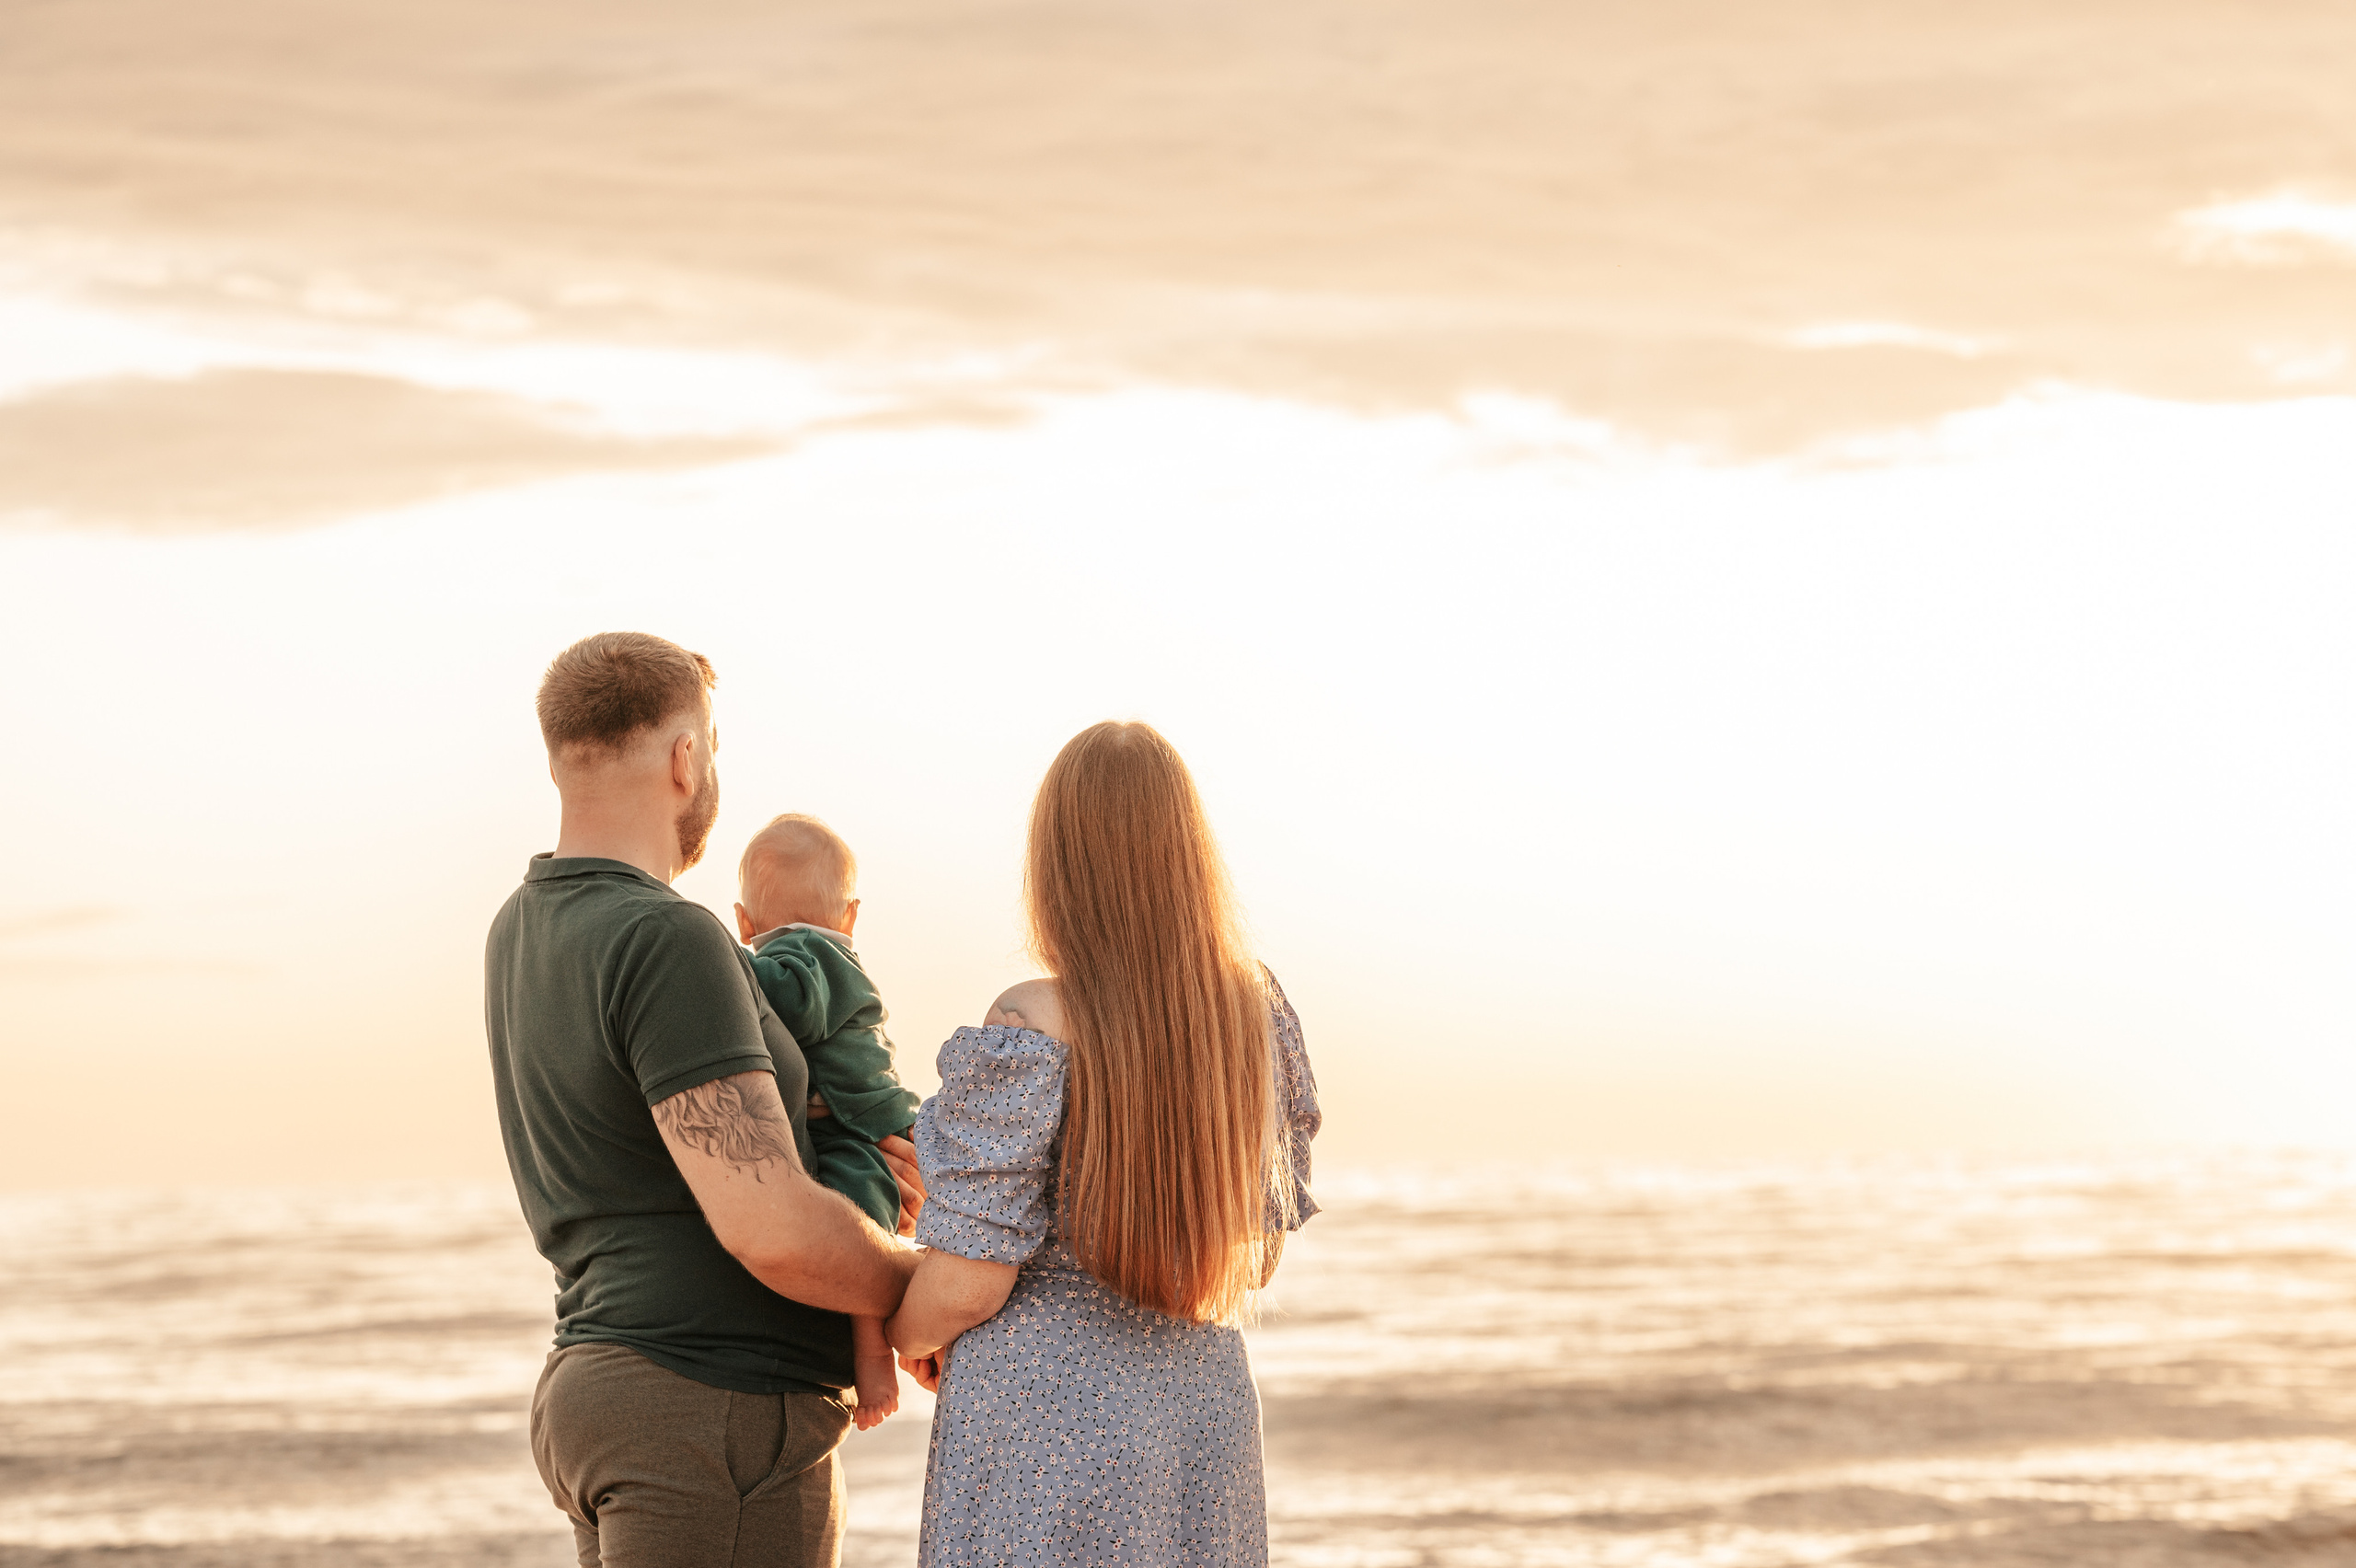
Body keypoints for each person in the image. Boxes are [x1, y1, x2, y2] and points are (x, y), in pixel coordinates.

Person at [484, 631, 922, 1568]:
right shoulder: (668, 937)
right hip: (710, 1407)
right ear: (687, 759)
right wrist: (912, 1290)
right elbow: (769, 1225)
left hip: (601, 1390)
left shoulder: (521, 927)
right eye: (712, 744)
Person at [886, 720, 1322, 1567]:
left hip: (1037, 1421)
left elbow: (970, 1282)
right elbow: (1253, 1256)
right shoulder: (1253, 1021)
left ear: (1056, 869)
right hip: (1200, 1424)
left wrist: (908, 1332)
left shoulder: (1030, 1020)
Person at [731, 812, 923, 1432]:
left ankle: (873, 1353)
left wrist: (720, 963)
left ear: (743, 924)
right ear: (852, 913)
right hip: (855, 1116)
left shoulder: (811, 952)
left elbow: (794, 1004)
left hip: (864, 1126)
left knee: (857, 1218)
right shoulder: (830, 943)